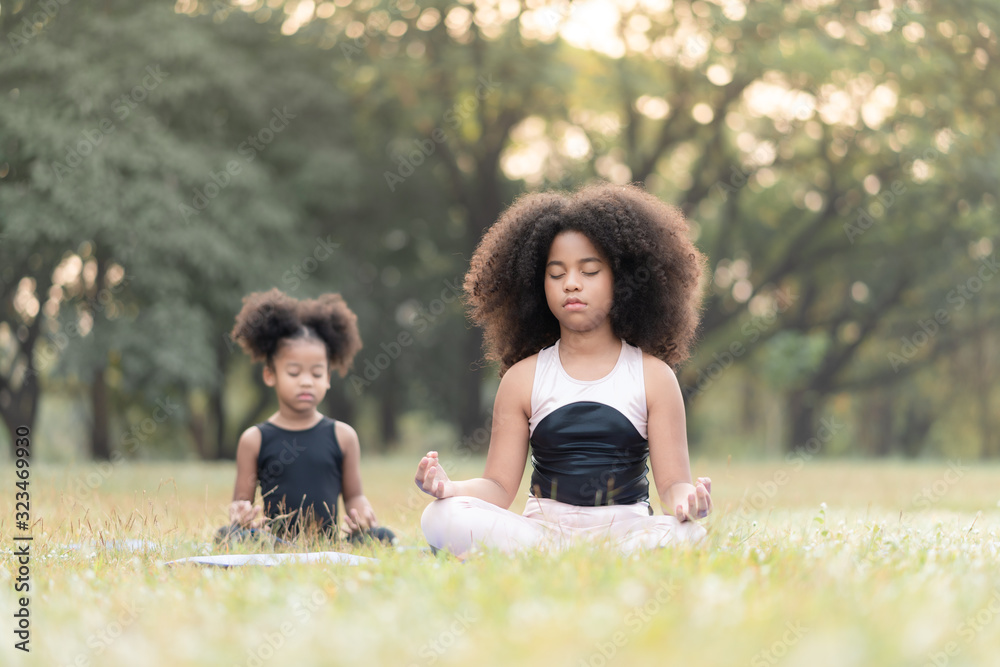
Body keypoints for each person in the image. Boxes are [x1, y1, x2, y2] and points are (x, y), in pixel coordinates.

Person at [414, 182, 712, 557]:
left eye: (589, 271)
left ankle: (572, 562)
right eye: (556, 274)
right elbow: (498, 487)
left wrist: (690, 501)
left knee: (689, 537)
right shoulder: (522, 378)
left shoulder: (653, 376)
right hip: (542, 535)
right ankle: (571, 562)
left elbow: (673, 486)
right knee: (440, 516)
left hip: (627, 533)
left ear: (622, 281)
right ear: (536, 286)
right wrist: (450, 488)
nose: (571, 284)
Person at [219, 288, 395, 547]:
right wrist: (241, 516)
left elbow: (354, 495)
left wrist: (363, 518)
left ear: (328, 378)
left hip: (327, 545)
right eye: (293, 373)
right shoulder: (254, 439)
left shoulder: (343, 436)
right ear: (270, 375)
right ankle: (285, 548)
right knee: (227, 535)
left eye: (316, 373)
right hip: (273, 542)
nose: (306, 382)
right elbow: (242, 502)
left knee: (384, 538)